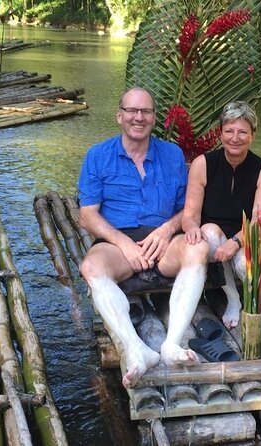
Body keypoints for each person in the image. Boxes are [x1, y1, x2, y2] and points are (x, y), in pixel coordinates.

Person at [78, 87, 209, 388]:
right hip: (117, 241)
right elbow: (88, 215)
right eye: (132, 111)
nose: (139, 117)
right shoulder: (98, 155)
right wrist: (123, 244)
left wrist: (166, 230)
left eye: (146, 111)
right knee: (92, 268)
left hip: (163, 240)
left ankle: (172, 344)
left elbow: (187, 211)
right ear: (119, 115)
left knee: (198, 247)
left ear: (154, 118)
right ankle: (135, 348)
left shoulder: (172, 155)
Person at [182, 101, 261, 329]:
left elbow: (259, 219)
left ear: (253, 135)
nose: (235, 138)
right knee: (208, 233)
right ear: (220, 134)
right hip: (212, 239)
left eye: (242, 132)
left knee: (241, 260)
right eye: (229, 131)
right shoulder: (202, 164)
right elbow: (190, 215)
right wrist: (191, 228)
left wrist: (235, 242)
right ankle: (233, 299)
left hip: (248, 235)